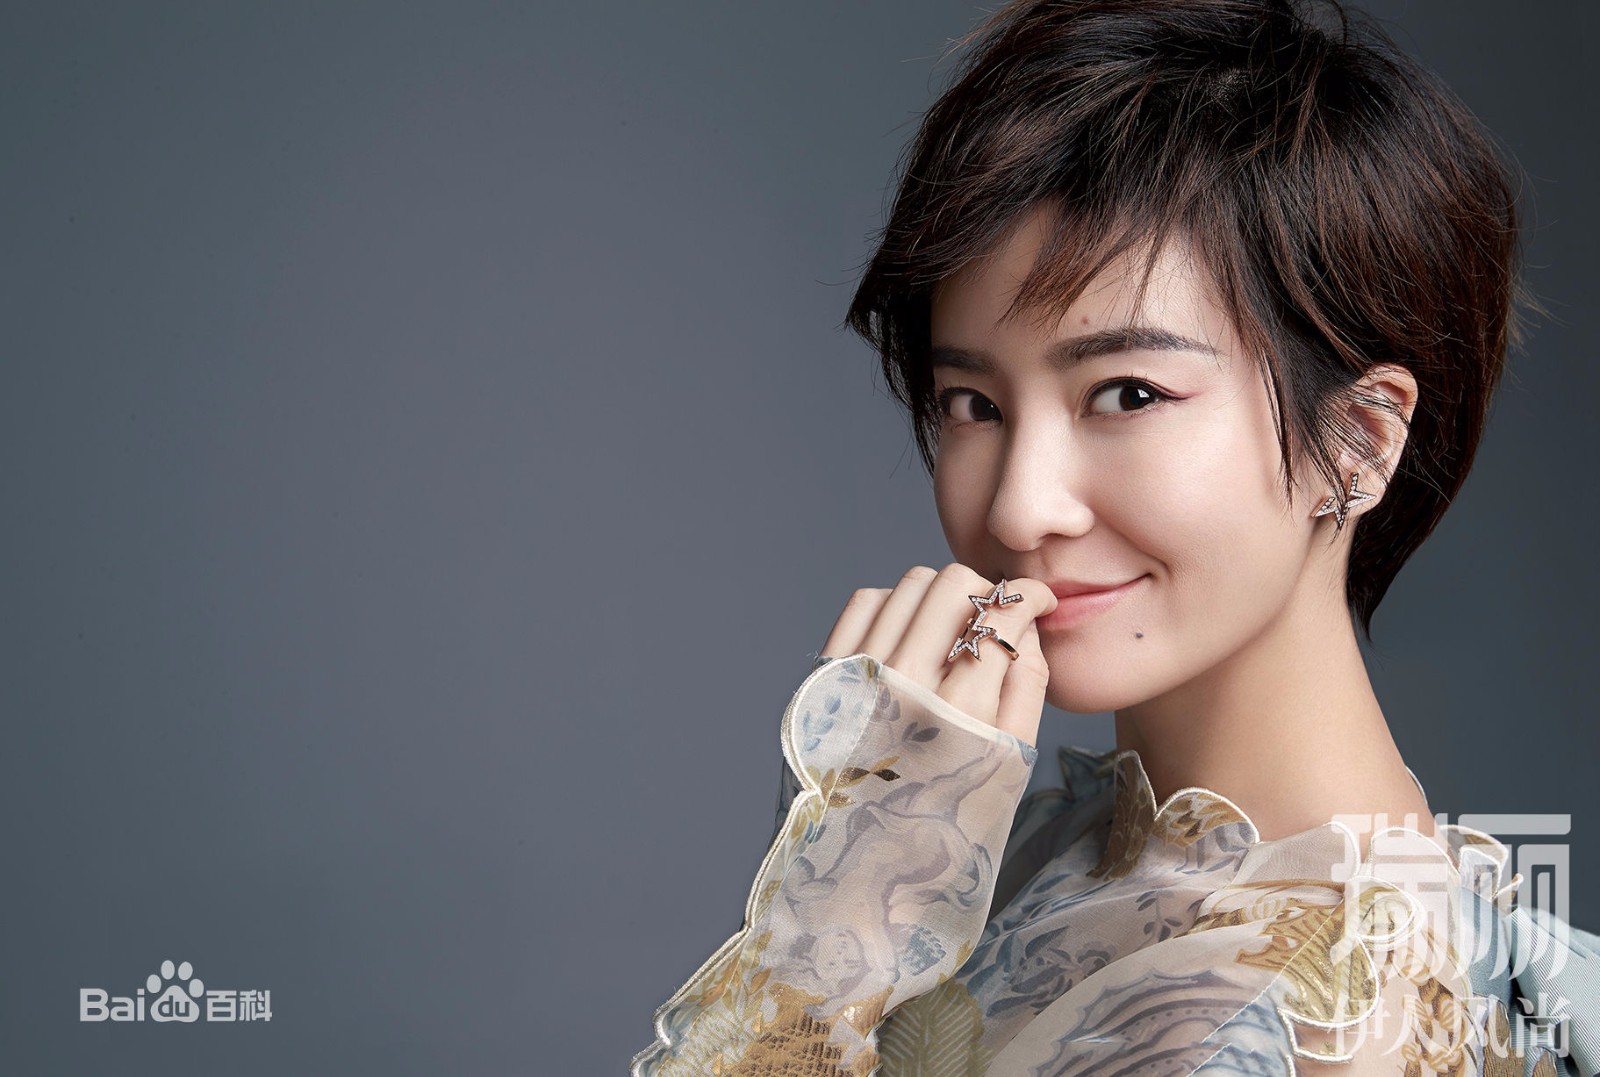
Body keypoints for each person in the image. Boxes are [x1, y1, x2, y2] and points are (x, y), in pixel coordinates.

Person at [631, 0, 1600, 1074]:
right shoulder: (1032, 849)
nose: (1018, 510)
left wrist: (824, 950)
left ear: (1357, 443)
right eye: (972, 404)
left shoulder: (1315, 1018)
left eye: (1127, 393)